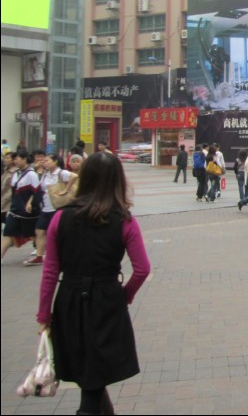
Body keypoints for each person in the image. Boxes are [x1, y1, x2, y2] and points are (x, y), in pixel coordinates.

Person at [36, 152, 150, 416]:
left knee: (89, 373)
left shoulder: (60, 218)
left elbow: (50, 271)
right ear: (117, 181)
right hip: (107, 298)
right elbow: (142, 269)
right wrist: (125, 295)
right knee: (93, 376)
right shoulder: (124, 219)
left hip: (69, 298)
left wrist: (44, 314)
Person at [26, 154, 74, 266]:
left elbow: (74, 176)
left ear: (55, 162)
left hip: (57, 207)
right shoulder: (45, 175)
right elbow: (39, 190)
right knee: (39, 231)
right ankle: (39, 255)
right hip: (45, 208)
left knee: (56, 233)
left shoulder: (61, 173)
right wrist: (30, 201)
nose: (44, 162)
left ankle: (60, 254)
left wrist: (66, 190)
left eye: (47, 161)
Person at [0, 150, 40, 262]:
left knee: (35, 234)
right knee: (8, 232)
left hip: (29, 213)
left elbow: (37, 192)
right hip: (15, 210)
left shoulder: (32, 174)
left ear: (24, 159)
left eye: (17, 158)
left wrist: (30, 202)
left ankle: (40, 253)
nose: (15, 161)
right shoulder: (16, 173)